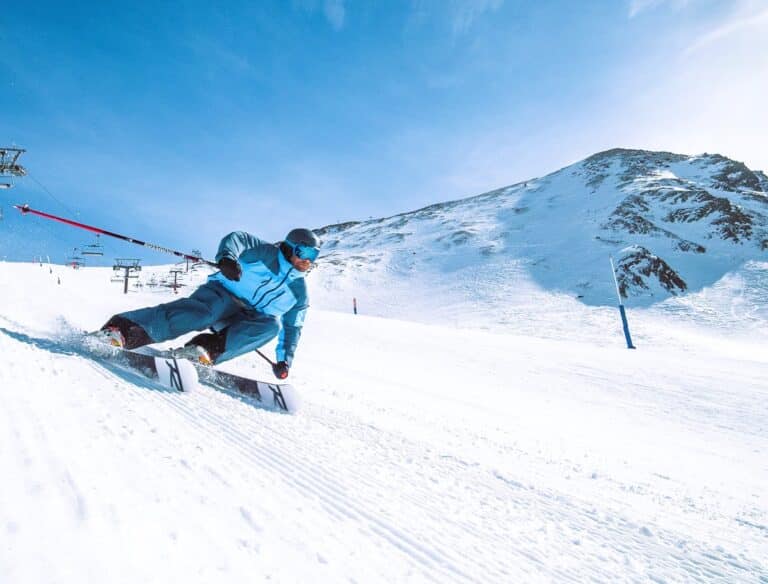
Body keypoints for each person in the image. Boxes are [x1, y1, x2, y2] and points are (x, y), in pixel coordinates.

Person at [100, 228, 321, 379]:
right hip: (222, 294)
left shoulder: (298, 293)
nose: (308, 259)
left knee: (272, 326)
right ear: (288, 248)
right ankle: (124, 330)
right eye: (305, 252)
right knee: (200, 314)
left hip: (248, 317)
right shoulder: (264, 253)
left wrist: (284, 360)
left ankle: (201, 352)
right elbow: (238, 238)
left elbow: (294, 327)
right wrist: (227, 259)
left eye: (314, 255)